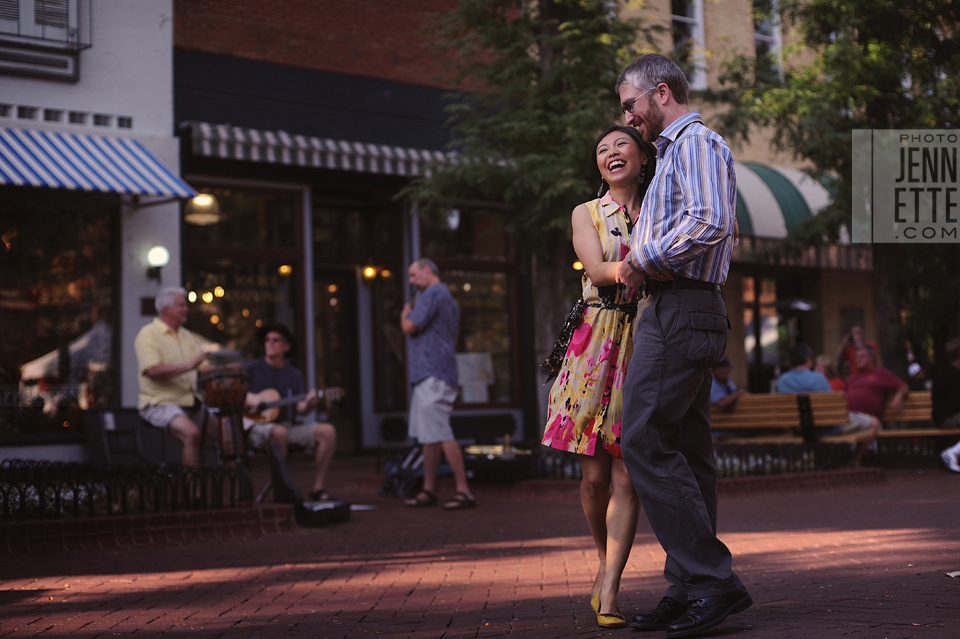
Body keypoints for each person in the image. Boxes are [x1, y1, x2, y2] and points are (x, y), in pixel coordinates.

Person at [613, 53, 751, 638]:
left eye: (631, 105)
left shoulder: (695, 143)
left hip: (681, 307)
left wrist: (640, 259)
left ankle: (711, 579)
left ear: (661, 92)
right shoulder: (674, 153)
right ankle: (692, 584)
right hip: (680, 308)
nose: (628, 117)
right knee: (689, 454)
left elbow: (711, 221)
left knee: (642, 438)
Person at [541, 125, 656, 629]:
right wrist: (644, 266)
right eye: (602, 149)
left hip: (644, 340)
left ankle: (610, 590)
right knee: (593, 480)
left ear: (642, 157)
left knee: (627, 474)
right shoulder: (585, 213)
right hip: (595, 341)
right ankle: (605, 563)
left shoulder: (660, 208)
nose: (611, 153)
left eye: (621, 145)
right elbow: (595, 268)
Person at [400, 258, 476, 511]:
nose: (412, 281)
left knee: (441, 432)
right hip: (435, 372)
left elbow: (409, 326)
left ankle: (463, 490)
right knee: (429, 436)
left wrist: (404, 314)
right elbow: (452, 338)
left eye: (413, 275)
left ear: (427, 270)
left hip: (433, 373)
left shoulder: (433, 293)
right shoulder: (448, 298)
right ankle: (428, 489)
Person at [243, 324, 338, 501]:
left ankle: (318, 488)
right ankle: (282, 489)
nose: (270, 343)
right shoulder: (251, 368)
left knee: (327, 431)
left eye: (276, 340)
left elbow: (301, 410)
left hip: (286, 425)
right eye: (267, 340)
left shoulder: (294, 374)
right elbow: (232, 390)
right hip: (256, 426)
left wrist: (310, 404)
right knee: (279, 432)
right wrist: (246, 400)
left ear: (286, 347)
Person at [135, 286, 216, 468]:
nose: (186, 309)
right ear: (166, 309)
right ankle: (192, 484)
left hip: (190, 403)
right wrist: (189, 366)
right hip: (159, 403)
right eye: (182, 305)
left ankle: (234, 483)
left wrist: (227, 370)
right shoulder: (148, 334)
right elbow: (152, 370)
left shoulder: (186, 335)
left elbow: (203, 368)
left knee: (227, 433)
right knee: (192, 434)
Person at [843, 344, 908, 465]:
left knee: (874, 425)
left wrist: (898, 396)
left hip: (867, 419)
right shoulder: (851, 379)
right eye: (856, 357)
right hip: (849, 417)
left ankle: (855, 460)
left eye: (862, 356)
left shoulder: (880, 374)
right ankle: (843, 461)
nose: (858, 360)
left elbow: (903, 386)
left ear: (872, 358)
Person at [932, 337, 960, 472]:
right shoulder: (949, 374)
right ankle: (952, 452)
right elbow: (956, 402)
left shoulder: (950, 372)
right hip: (947, 418)